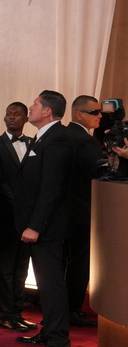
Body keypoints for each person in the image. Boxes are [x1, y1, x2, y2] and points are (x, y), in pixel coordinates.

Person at [13, 91, 74, 347]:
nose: (30, 107)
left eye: (35, 104)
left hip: (48, 228)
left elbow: (51, 189)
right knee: (45, 282)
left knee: (51, 285)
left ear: (48, 111)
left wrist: (35, 226)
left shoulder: (57, 139)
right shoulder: (44, 137)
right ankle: (49, 331)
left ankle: (59, 341)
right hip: (40, 226)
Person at [0, 102, 36, 332]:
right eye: (9, 114)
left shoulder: (34, 143)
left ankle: (17, 312)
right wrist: (19, 204)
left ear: (26, 118)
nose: (12, 118)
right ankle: (5, 315)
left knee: (22, 268)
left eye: (17, 114)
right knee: (6, 267)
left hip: (28, 217)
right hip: (5, 215)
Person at [64, 95, 106, 327]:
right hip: (81, 212)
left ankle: (65, 308)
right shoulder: (84, 141)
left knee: (66, 262)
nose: (100, 116)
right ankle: (73, 309)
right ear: (78, 114)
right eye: (95, 112)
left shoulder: (62, 135)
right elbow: (100, 172)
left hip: (63, 212)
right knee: (79, 263)